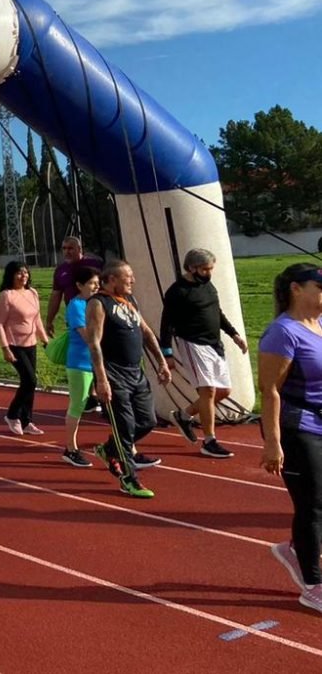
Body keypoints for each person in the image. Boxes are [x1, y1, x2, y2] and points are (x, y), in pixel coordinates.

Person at [259, 264, 322, 614]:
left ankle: (296, 548)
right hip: (298, 427)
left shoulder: (320, 325)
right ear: (296, 289)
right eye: (319, 286)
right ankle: (313, 584)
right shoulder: (282, 332)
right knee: (312, 505)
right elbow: (270, 390)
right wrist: (273, 442)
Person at [83, 260, 171, 499]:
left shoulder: (129, 301)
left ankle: (108, 449)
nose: (132, 280)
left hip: (136, 372)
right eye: (128, 276)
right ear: (112, 279)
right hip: (114, 374)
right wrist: (101, 379)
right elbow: (94, 343)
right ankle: (129, 478)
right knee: (125, 427)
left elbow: (146, 332)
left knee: (148, 420)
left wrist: (162, 361)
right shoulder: (98, 304)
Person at [161, 247, 248, 458]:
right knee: (207, 391)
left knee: (224, 391)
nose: (209, 273)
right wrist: (167, 354)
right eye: (205, 269)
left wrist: (234, 334)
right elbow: (166, 324)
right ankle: (209, 441)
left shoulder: (208, 286)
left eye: (210, 269)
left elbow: (217, 312)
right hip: (193, 344)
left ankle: (184, 415)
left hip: (214, 344)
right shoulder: (177, 292)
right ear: (192, 268)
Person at [0, 261, 49, 436]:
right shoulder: (7, 295)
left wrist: (45, 340)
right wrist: (5, 348)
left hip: (30, 344)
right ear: (11, 275)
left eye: (25, 272)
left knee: (30, 384)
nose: (23, 276)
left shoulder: (32, 293)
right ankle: (12, 415)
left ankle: (27, 421)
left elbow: (37, 319)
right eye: (19, 273)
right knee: (30, 380)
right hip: (14, 344)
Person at [61, 266, 101, 466]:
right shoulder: (76, 306)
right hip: (80, 363)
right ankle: (70, 448)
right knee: (77, 404)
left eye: (98, 283)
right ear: (79, 285)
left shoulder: (96, 303)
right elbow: (87, 337)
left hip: (97, 361)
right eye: (92, 283)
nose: (96, 287)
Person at [45, 236, 104, 337]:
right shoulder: (60, 270)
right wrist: (49, 320)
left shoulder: (95, 265)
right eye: (64, 248)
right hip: (76, 315)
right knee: (79, 342)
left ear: (79, 249)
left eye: (70, 248)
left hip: (97, 313)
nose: (67, 252)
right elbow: (56, 296)